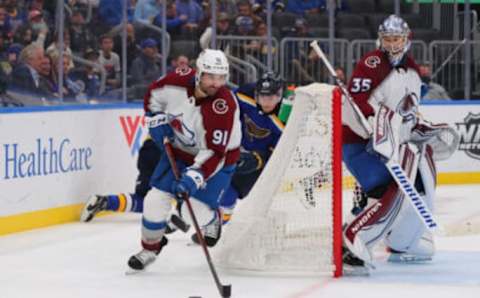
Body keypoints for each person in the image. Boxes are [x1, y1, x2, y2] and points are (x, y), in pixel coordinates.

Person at [341, 15, 447, 273]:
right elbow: (355, 102)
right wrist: (372, 124)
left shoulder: (411, 70)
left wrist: (414, 127)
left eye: (397, 39)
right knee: (390, 190)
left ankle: (403, 243)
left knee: (420, 185)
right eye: (387, 39)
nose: (392, 44)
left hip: (392, 147)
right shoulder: (372, 62)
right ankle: (352, 243)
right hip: (360, 143)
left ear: (406, 39)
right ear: (381, 39)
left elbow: (408, 110)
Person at [126, 48, 241, 271]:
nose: (216, 83)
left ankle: (213, 219)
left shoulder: (223, 106)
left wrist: (193, 178)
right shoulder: (176, 80)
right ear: (199, 72)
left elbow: (215, 153)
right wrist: (155, 118)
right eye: (210, 76)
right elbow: (153, 96)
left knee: (192, 211)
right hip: (179, 152)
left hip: (218, 162)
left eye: (221, 78)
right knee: (154, 201)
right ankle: (151, 248)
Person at [191, 71, 285, 246]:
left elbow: (282, 151)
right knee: (212, 181)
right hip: (236, 148)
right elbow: (225, 107)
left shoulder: (285, 116)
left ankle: (217, 222)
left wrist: (259, 159)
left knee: (231, 193)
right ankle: (200, 218)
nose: (266, 103)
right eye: (262, 97)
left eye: (271, 98)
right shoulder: (244, 95)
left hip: (261, 161)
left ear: (279, 96)